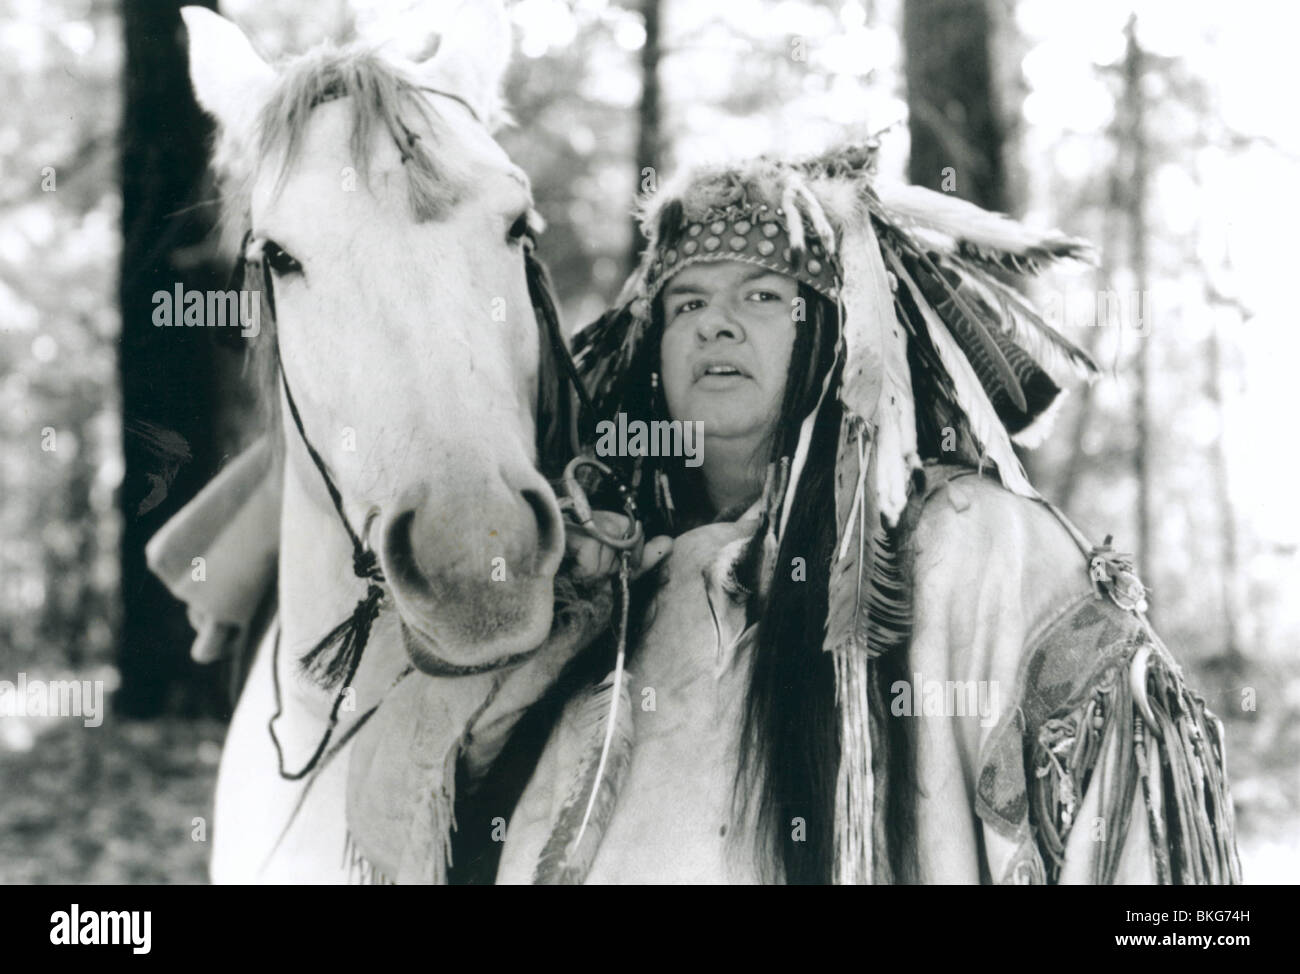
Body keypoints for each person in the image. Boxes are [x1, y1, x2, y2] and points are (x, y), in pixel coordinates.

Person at [488, 141, 1242, 884]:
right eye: (688, 302)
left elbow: (1140, 837)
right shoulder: (608, 595)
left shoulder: (968, 544)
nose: (715, 324)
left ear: (838, 333)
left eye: (760, 294)